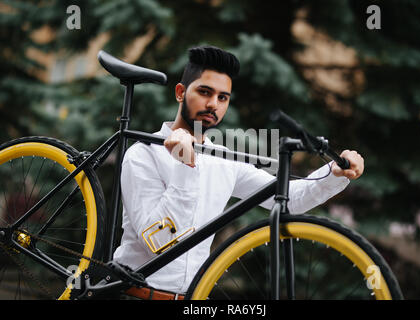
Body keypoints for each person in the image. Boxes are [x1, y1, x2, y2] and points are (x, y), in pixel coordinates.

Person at [114, 46, 364, 299]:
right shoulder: (142, 154)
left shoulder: (223, 161)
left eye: (223, 97)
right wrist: (186, 167)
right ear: (180, 93)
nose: (213, 104)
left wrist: (333, 173)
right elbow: (156, 243)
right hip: (134, 295)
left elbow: (291, 198)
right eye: (204, 92)